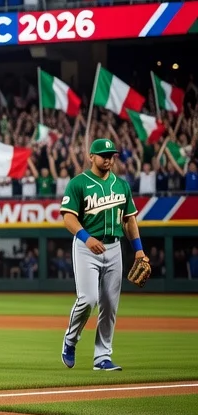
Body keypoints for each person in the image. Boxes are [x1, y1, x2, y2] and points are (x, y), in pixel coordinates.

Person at [59, 137, 147, 372]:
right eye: (104, 155)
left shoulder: (122, 185)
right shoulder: (78, 183)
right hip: (86, 247)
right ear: (91, 157)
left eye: (111, 156)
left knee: (109, 305)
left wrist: (139, 249)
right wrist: (86, 238)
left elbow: (129, 220)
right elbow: (68, 217)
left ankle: (102, 357)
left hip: (114, 247)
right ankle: (70, 340)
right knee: (88, 299)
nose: (108, 159)